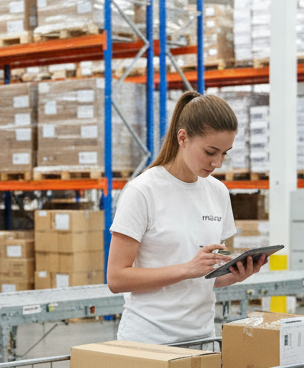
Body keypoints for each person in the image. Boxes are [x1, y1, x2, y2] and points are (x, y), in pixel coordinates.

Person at [107, 91, 267, 344]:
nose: (218, 163)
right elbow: (117, 278)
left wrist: (237, 273)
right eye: (210, 151)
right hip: (149, 341)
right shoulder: (143, 191)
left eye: (225, 153)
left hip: (203, 338)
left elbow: (205, 278)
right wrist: (186, 268)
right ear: (183, 137)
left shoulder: (218, 192)